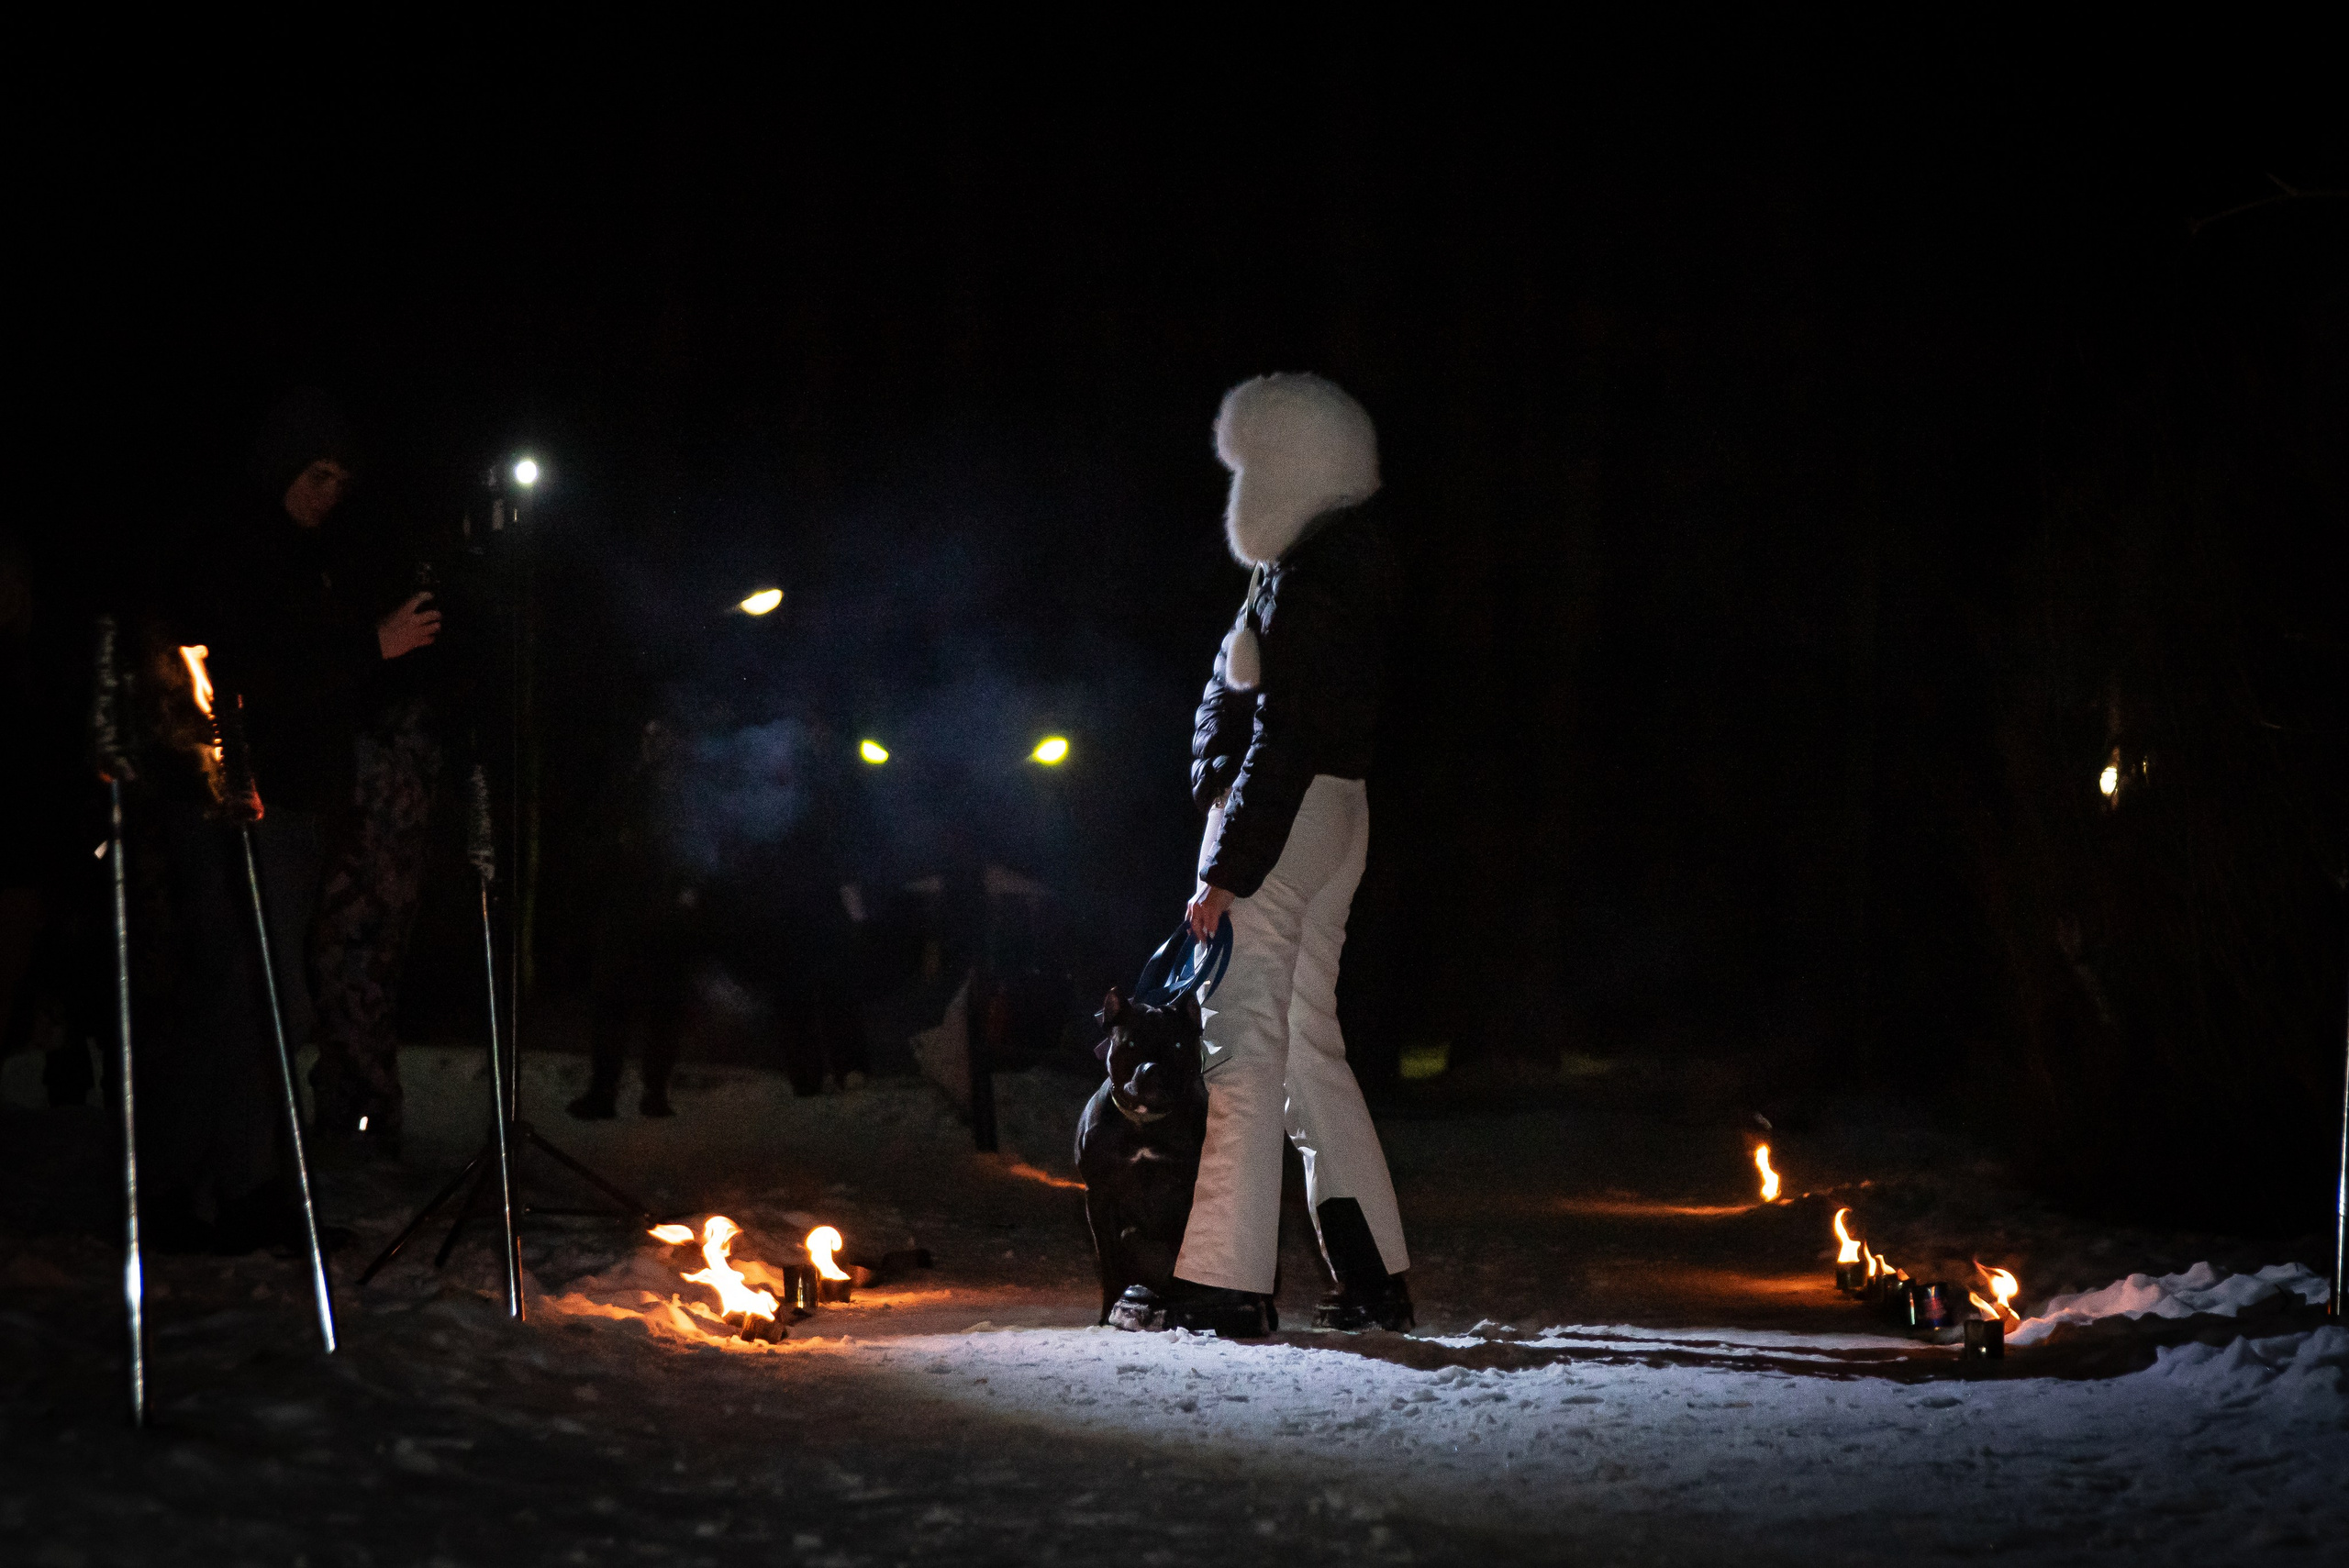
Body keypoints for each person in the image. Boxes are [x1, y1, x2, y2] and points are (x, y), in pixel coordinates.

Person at [1128, 373, 1414, 1338]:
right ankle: (1373, 1273)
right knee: (1305, 1042)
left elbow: (1279, 734)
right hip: (1334, 814)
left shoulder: (1305, 575)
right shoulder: (1342, 563)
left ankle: (1224, 1280)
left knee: (1242, 1044)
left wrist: (1225, 864)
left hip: (1282, 819)